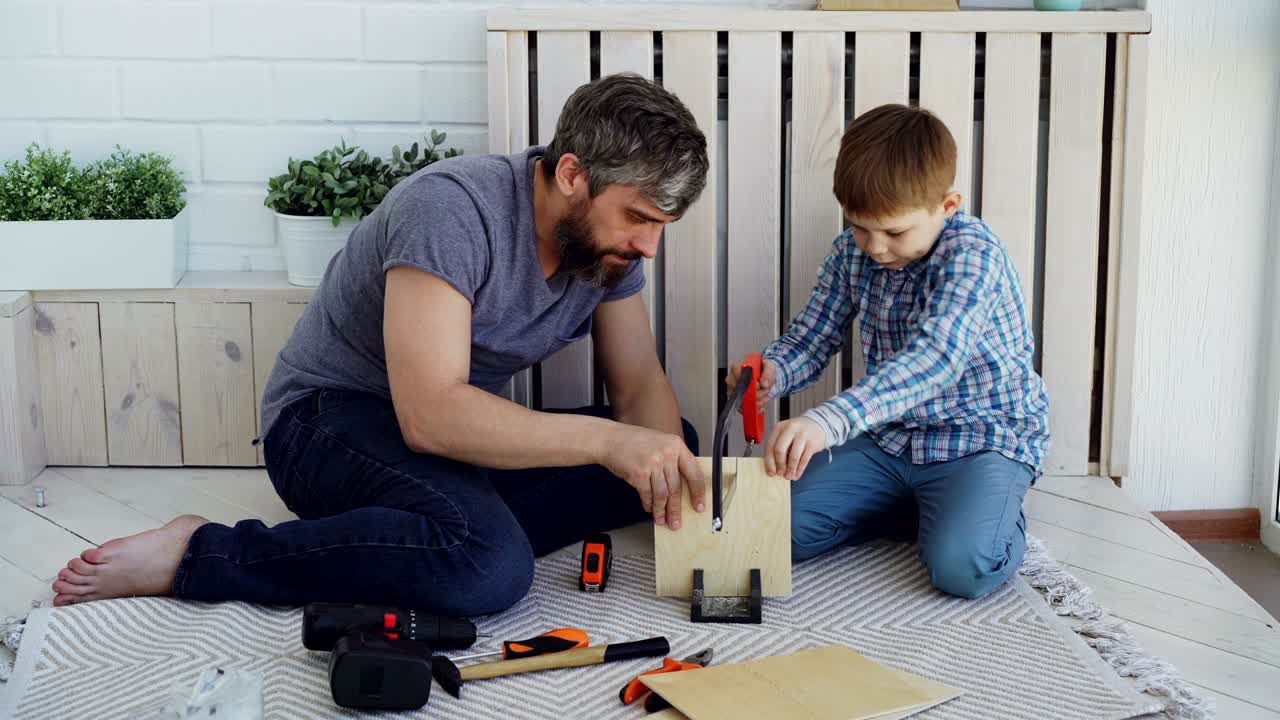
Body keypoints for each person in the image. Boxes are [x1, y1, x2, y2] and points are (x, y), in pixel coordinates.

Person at [50, 73, 711, 616]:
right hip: (328, 421)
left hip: (448, 442)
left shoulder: (608, 252)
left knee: (670, 444)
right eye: (638, 218)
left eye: (661, 225)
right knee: (491, 566)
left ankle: (426, 532)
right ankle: (201, 551)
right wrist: (608, 443)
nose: (649, 246)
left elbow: (637, 386)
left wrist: (667, 483)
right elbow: (431, 416)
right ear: (571, 175)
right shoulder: (451, 209)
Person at [727, 104, 1050, 600]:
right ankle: (911, 508)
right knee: (770, 529)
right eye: (860, 227)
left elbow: (934, 361)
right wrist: (775, 370)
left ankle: (989, 511)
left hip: (979, 439)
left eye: (895, 232)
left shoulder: (974, 257)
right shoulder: (851, 253)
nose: (875, 247)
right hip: (891, 438)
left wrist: (829, 420)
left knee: (964, 567)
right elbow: (812, 337)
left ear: (948, 205)